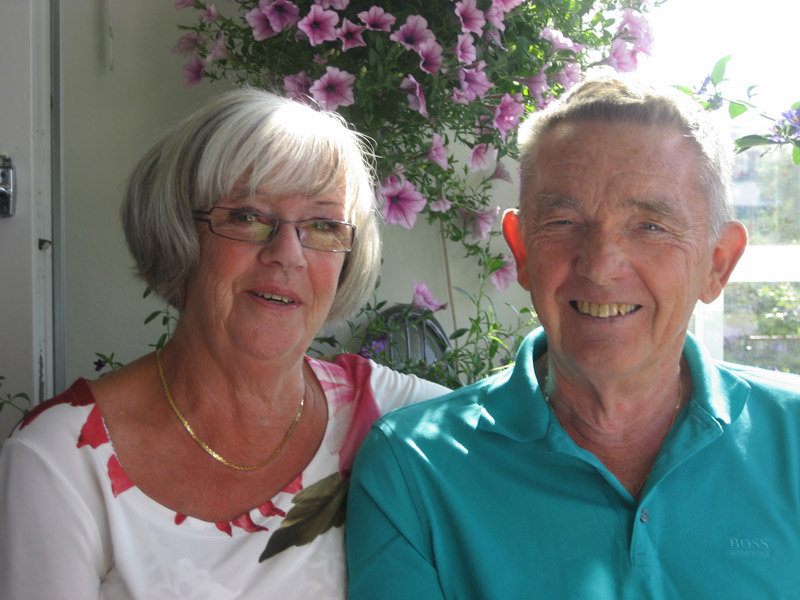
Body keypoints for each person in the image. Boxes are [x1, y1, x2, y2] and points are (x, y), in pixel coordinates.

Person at [346, 75, 800, 599]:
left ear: (717, 264)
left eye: (650, 226)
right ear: (521, 250)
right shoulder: (414, 468)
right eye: (563, 222)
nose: (600, 266)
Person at [0, 88, 448, 599]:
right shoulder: (61, 460)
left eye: (323, 225)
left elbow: (525, 425)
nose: (288, 255)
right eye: (248, 216)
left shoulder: (388, 413)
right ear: (178, 234)